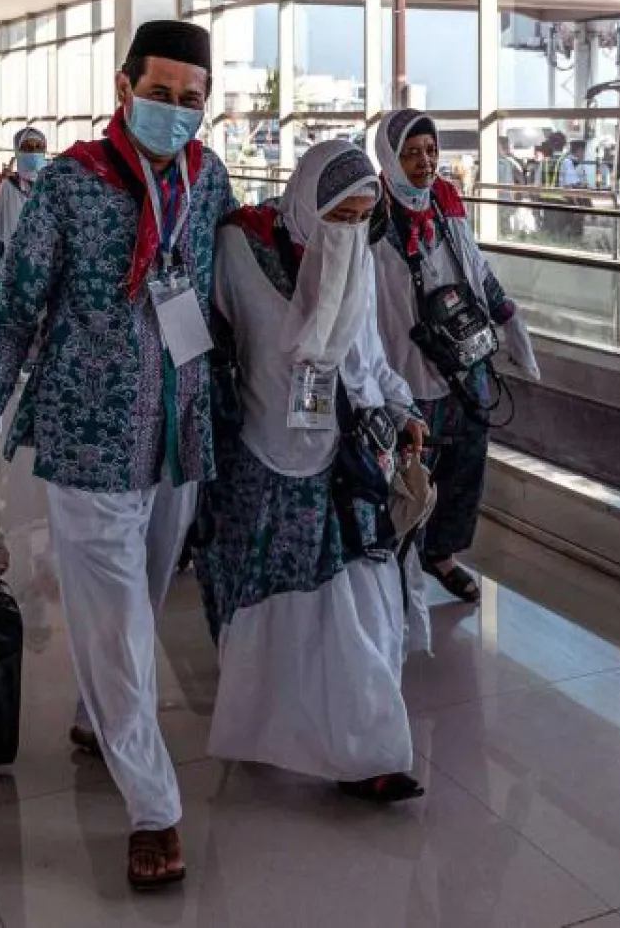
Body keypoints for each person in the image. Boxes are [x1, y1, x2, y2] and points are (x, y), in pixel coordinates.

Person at [0, 20, 235, 892]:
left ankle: (93, 717)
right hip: (91, 434)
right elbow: (13, 305)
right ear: (123, 86)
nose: (177, 113)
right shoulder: (70, 185)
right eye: (162, 94)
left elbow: (224, 280)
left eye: (192, 100)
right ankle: (153, 807)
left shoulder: (206, 178)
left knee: (138, 602)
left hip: (180, 431)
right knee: (112, 624)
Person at [198, 139, 426, 802]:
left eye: (361, 217)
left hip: (344, 464)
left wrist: (403, 406)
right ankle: (276, 727)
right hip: (263, 463)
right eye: (339, 215)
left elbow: (369, 357)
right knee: (273, 610)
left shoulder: (355, 258)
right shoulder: (240, 251)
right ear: (306, 201)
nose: (349, 230)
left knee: (361, 608)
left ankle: (368, 751)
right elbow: (212, 343)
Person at [370, 109, 540, 602]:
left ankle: (440, 554)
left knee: (466, 462)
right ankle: (393, 563)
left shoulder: (446, 204)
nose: (424, 162)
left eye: (430, 151)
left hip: (463, 367)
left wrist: (509, 320)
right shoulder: (372, 215)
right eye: (411, 153)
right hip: (403, 365)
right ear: (389, 156)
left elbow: (476, 269)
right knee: (406, 471)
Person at [0, 126, 46, 290]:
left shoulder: (52, 186)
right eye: (27, 148)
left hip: (46, 271)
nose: (33, 153)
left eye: (38, 148)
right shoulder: (9, 187)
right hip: (14, 270)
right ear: (18, 151)